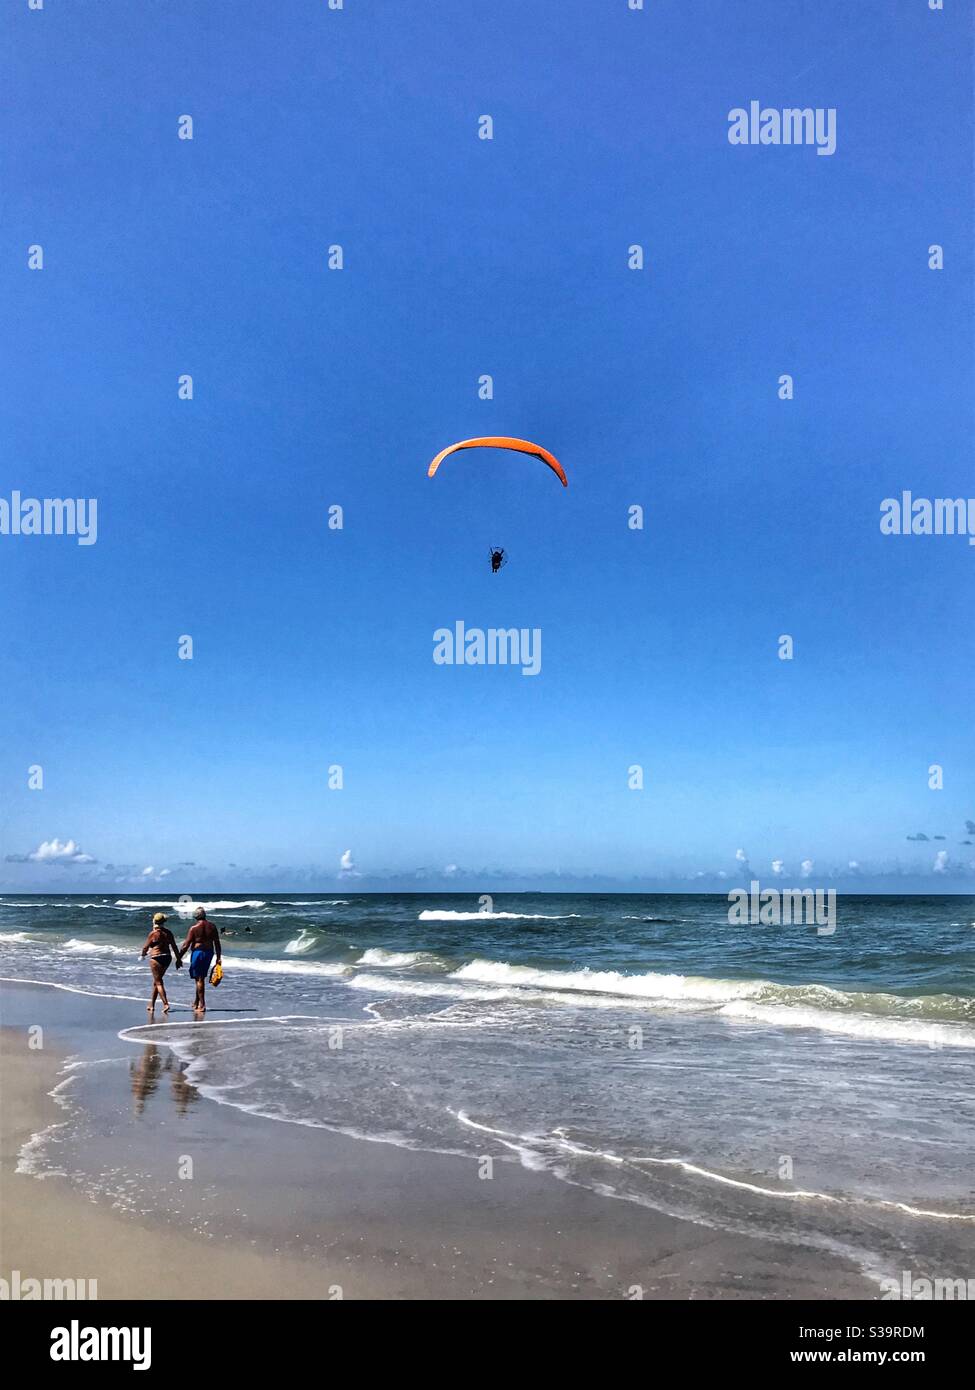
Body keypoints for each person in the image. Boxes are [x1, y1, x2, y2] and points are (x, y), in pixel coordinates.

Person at [179, 906, 222, 1013]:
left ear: (195, 916)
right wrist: (218, 957)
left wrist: (179, 958)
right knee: (200, 978)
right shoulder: (212, 926)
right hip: (209, 953)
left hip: (198, 953)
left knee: (199, 979)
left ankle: (202, 1005)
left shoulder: (193, 928)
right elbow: (217, 942)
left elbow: (185, 945)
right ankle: (196, 1002)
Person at [140, 912, 182, 1016]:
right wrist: (178, 959)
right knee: (157, 981)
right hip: (167, 958)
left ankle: (166, 1004)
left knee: (158, 982)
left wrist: (142, 955)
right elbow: (174, 946)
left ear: (154, 922)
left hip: (156, 958)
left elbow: (145, 947)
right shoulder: (168, 933)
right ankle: (152, 1005)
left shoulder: (153, 933)